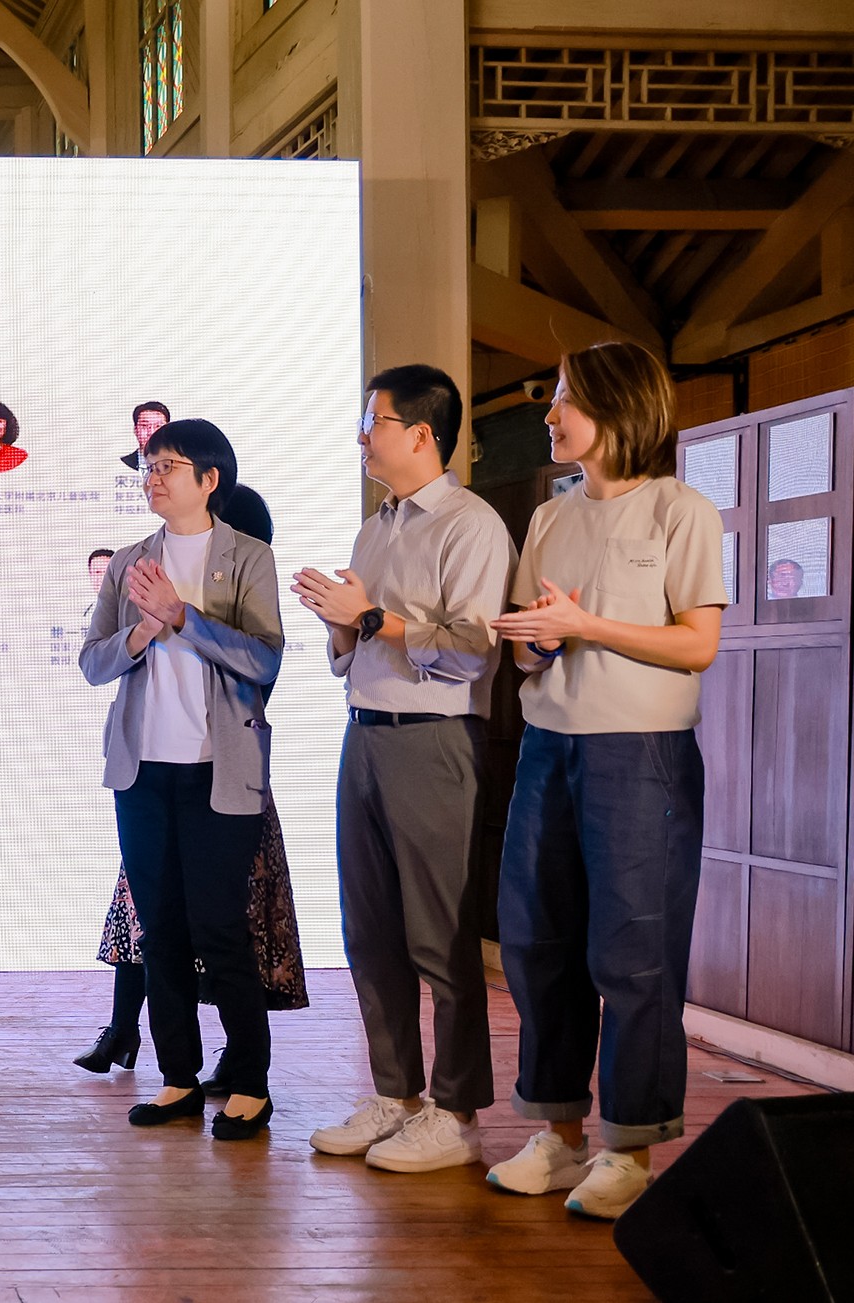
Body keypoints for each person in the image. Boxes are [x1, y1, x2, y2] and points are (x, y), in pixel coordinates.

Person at [484, 341, 727, 1219]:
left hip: (642, 750)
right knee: (537, 939)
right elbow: (528, 644)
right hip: (549, 744)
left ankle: (631, 1146)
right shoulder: (551, 517)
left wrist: (588, 625)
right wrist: (544, 640)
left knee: (633, 949)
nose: (549, 415)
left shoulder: (680, 509)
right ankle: (558, 1132)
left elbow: (698, 643)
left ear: (621, 406)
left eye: (564, 399)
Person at [291, 365, 516, 1173]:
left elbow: (473, 649)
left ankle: (456, 1113)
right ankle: (395, 1094)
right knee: (369, 928)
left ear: (422, 433)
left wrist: (373, 617)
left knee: (440, 934)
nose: (363, 436)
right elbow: (359, 643)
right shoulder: (375, 527)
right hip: (365, 733)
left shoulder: (470, 524)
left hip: (435, 739)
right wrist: (341, 623)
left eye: (375, 421)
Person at [80, 419, 283, 1141]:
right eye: (149, 466)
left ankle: (250, 1084)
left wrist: (182, 617)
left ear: (209, 479)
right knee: (159, 927)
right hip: (141, 771)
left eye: (168, 465)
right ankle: (178, 1079)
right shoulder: (129, 561)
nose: (154, 477)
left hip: (218, 770)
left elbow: (264, 661)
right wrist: (140, 631)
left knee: (220, 927)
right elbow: (93, 662)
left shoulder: (247, 556)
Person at [116, 401, 172, 471]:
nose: (151, 432)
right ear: (135, 430)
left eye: (158, 426)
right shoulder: (121, 465)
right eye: (145, 426)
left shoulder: (177, 464)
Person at [82, 548, 114, 625]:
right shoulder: (84, 614)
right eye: (97, 572)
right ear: (90, 575)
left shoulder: (130, 611)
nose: (102, 577)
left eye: (106, 572)